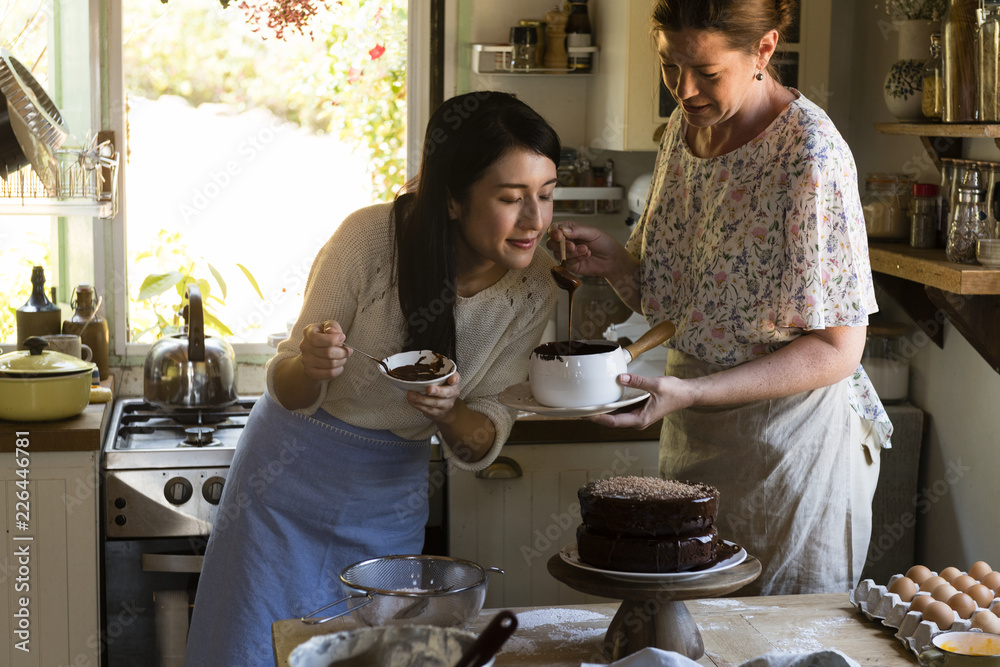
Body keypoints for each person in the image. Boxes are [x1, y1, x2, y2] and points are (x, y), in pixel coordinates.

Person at [184, 90, 560, 666]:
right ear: (454, 201)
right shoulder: (370, 240)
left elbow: (487, 431)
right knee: (253, 650)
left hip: (389, 499)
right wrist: (311, 365)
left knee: (371, 656)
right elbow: (286, 386)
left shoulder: (534, 287)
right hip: (284, 486)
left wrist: (448, 412)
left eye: (547, 195)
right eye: (512, 198)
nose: (534, 219)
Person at [548, 0, 891, 596]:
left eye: (706, 72)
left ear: (764, 50)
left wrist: (693, 391)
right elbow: (678, 301)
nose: (684, 89)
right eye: (668, 65)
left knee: (776, 645)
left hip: (791, 449)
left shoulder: (810, 155)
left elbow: (838, 349)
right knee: (692, 639)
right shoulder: (685, 134)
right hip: (695, 433)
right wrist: (616, 263)